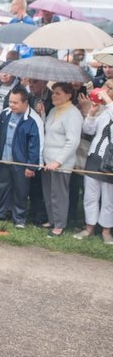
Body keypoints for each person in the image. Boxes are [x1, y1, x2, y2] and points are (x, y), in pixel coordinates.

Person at [0, 86, 43, 227]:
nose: (11, 105)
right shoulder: (4, 114)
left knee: (20, 191)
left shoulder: (34, 120)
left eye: (15, 102)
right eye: (10, 101)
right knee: (1, 187)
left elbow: (36, 145)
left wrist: (31, 166)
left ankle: (19, 218)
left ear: (25, 102)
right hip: (4, 159)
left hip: (21, 163)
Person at [41, 82, 83, 237]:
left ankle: (59, 224)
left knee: (59, 194)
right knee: (48, 192)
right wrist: (42, 114)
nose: (53, 96)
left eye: (58, 93)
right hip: (47, 159)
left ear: (68, 95)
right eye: (53, 93)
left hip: (61, 162)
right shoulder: (53, 110)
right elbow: (48, 131)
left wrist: (58, 161)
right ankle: (52, 219)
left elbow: (73, 142)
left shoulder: (73, 114)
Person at [77, 80, 113, 244]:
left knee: (108, 198)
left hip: (110, 160)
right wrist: (91, 113)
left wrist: (107, 99)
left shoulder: (110, 108)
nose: (104, 90)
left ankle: (106, 231)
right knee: (90, 195)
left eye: (109, 88)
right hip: (94, 157)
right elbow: (88, 130)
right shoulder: (104, 111)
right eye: (104, 86)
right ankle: (89, 227)